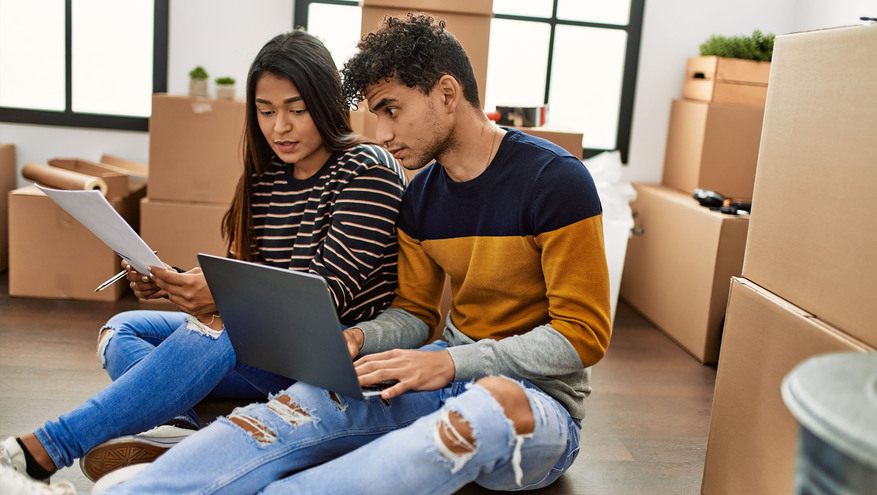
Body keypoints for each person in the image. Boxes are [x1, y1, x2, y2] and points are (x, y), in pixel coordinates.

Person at [0, 12, 611, 495]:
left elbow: (583, 335)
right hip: (432, 366)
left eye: (392, 110)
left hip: (534, 395)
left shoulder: (553, 182)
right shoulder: (422, 194)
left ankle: (227, 456)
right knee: (293, 410)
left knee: (470, 420)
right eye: (374, 114)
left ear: (447, 93)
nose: (383, 132)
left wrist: (452, 363)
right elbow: (417, 317)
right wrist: (361, 340)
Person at [0, 29, 407, 489]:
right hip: (263, 348)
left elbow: (326, 297)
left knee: (235, 323)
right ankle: (185, 429)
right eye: (266, 111)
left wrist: (221, 298)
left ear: (327, 104)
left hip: (335, 359)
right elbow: (245, 278)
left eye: (296, 110)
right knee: (122, 328)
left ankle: (42, 451)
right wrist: (173, 282)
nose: (279, 127)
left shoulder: (368, 168)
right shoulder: (267, 176)